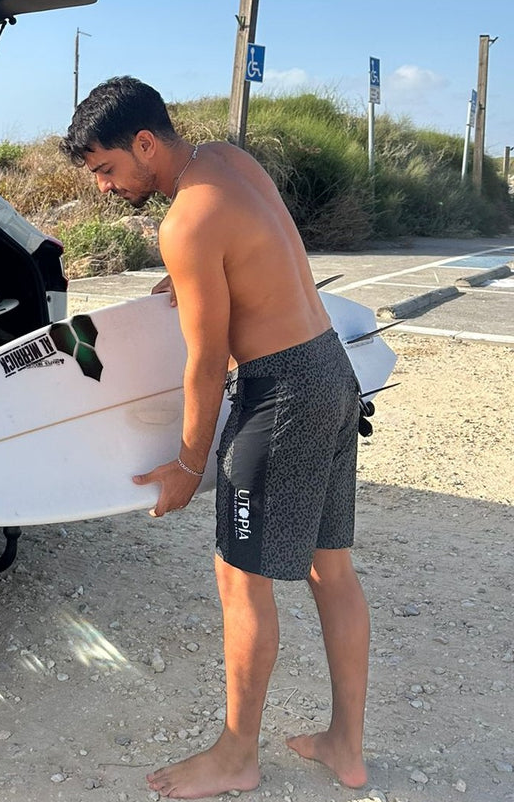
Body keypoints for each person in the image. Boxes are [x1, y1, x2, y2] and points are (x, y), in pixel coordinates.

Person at [60, 76, 369, 799]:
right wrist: (201, 277)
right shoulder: (231, 162)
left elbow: (206, 363)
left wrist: (188, 465)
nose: (105, 189)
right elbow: (261, 253)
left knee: (241, 581)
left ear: (145, 143)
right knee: (331, 568)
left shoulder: (186, 223)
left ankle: (237, 756)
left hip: (281, 397)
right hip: (330, 371)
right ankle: (345, 747)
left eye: (107, 170)